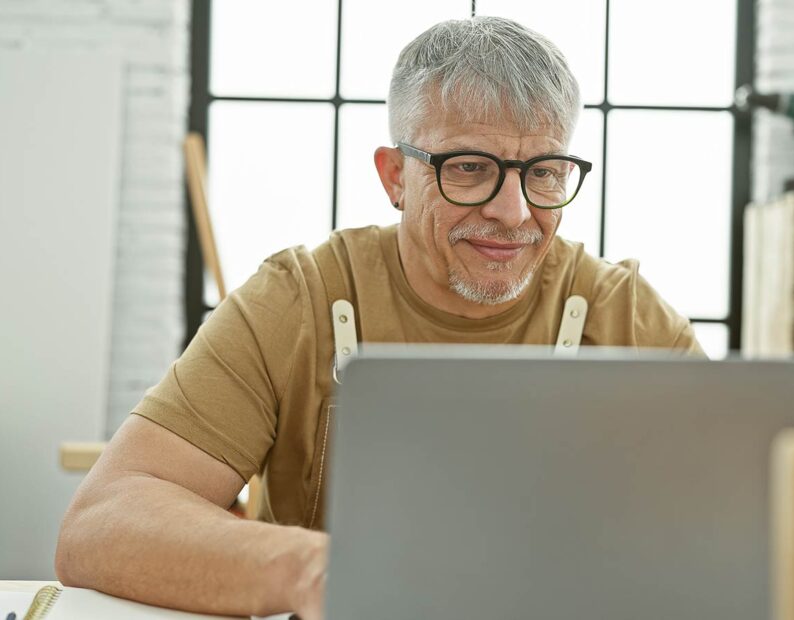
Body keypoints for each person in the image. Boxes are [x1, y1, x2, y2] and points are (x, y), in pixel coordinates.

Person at [55, 16, 703, 619]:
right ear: (395, 175)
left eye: (544, 172)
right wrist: (315, 571)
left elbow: (744, 531)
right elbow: (101, 520)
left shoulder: (627, 320)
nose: (513, 211)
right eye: (470, 169)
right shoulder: (299, 299)